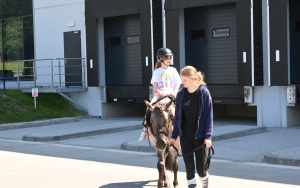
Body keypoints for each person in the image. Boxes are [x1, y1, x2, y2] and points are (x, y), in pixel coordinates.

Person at [169, 66, 213, 188]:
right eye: (182, 80)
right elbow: (178, 118)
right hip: (185, 135)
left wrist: (208, 137)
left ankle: (205, 185)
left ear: (193, 79)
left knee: (201, 170)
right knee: (189, 169)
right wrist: (173, 136)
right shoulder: (181, 94)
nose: (182, 83)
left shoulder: (204, 93)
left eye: (185, 80)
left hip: (200, 135)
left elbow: (209, 117)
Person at [138, 48, 182, 142]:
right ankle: (145, 129)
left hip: (171, 94)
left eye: (170, 58)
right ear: (160, 59)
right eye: (166, 58)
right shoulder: (157, 72)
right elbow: (155, 85)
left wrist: (174, 92)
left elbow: (178, 83)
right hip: (159, 95)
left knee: (182, 107)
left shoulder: (173, 70)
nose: (169, 60)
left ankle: (184, 129)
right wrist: (160, 92)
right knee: (149, 107)